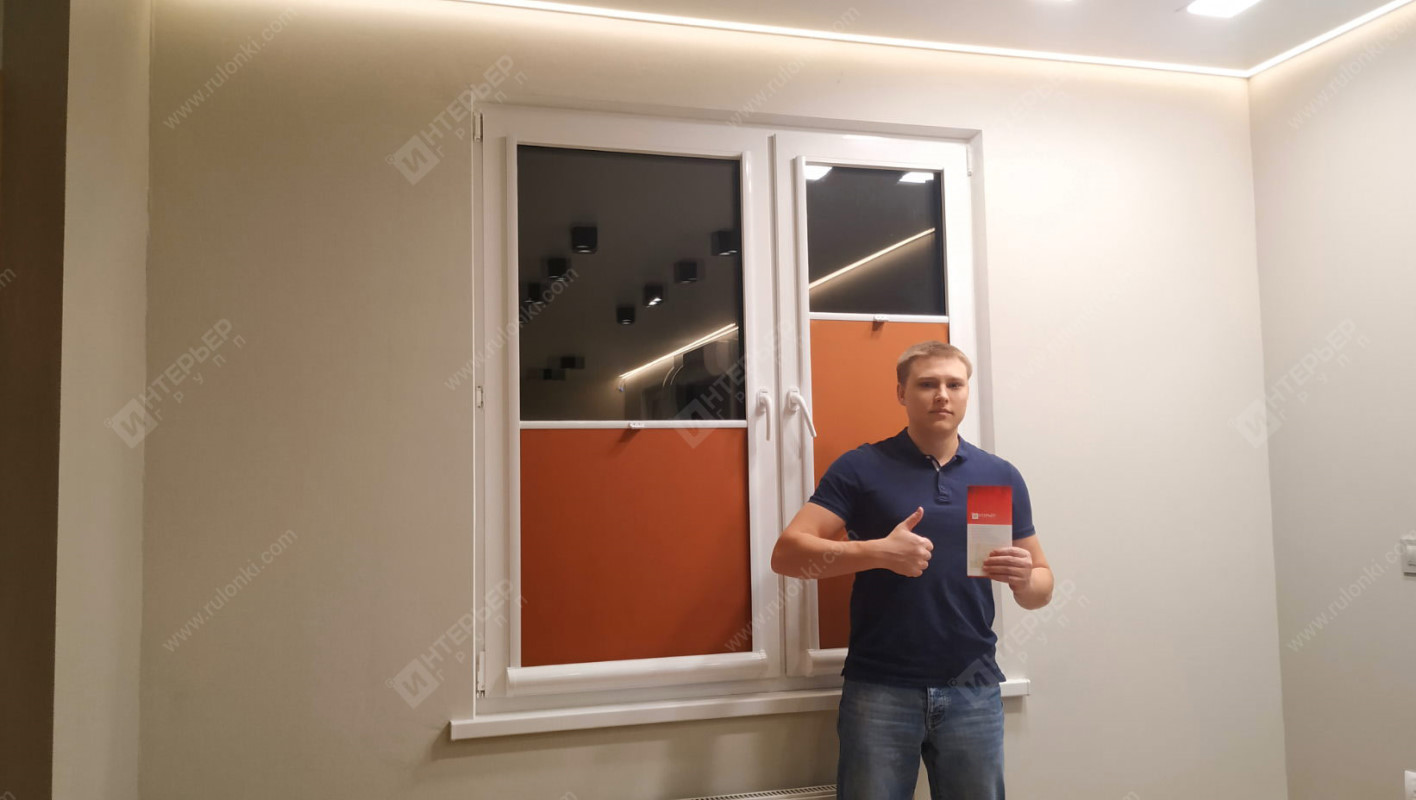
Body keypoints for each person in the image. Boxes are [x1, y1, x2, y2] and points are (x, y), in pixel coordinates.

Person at [770, 340, 1053, 800]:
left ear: (966, 392)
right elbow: (787, 555)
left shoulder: (999, 475)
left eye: (954, 384)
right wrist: (878, 552)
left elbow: (1041, 587)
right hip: (880, 687)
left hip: (974, 687)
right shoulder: (861, 467)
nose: (942, 395)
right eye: (927, 384)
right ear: (901, 393)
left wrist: (1025, 579)